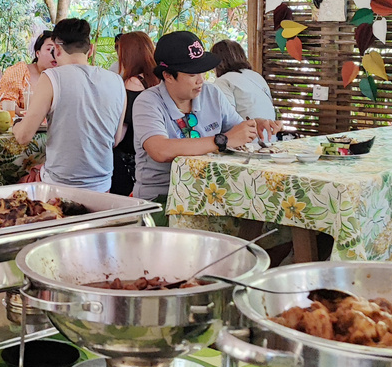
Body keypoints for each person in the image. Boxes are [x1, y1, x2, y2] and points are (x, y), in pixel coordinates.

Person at [131, 31, 282, 224]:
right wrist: (223, 140)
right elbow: (160, 150)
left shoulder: (212, 93)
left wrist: (254, 126)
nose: (200, 80)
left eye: (202, 71)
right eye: (192, 74)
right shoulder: (148, 101)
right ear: (168, 75)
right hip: (161, 201)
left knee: (268, 223)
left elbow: (239, 131)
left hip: (212, 194)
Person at [13, 18, 125, 192]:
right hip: (102, 187)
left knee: (11, 185)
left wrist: (16, 126)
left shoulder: (52, 77)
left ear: (56, 50)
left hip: (59, 186)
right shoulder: (117, 81)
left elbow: (23, 137)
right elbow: (116, 140)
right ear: (90, 49)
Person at [109, 32, 160, 196]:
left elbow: (120, 133)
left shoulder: (133, 82)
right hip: (151, 154)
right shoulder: (158, 79)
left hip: (130, 157)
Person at [211, 39, 277, 122]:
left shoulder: (223, 81)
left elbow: (226, 118)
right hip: (270, 133)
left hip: (248, 133)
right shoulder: (256, 76)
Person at [0, 30, 57, 113]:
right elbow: (6, 101)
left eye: (58, 50)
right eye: (50, 49)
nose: (54, 54)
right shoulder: (20, 71)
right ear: (38, 53)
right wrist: (25, 115)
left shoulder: (63, 76)